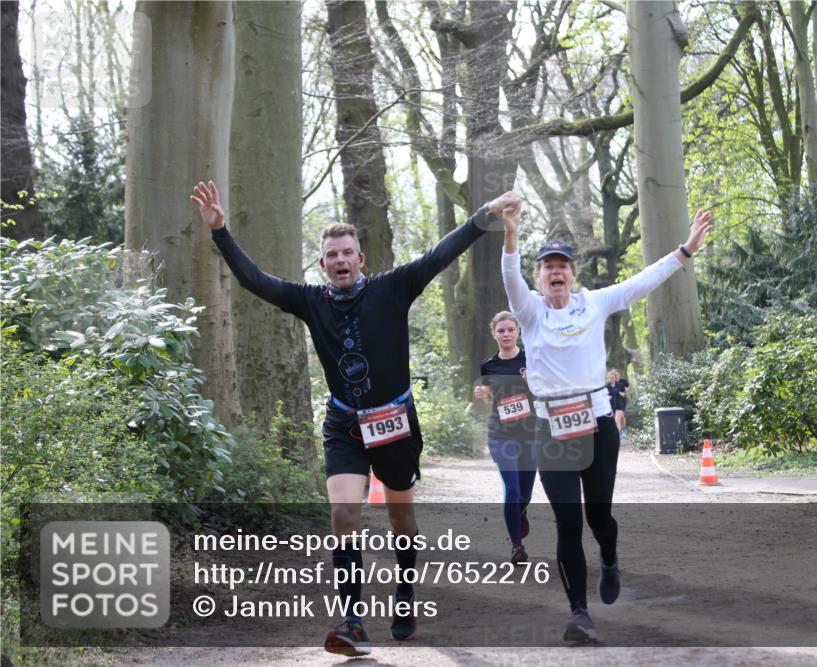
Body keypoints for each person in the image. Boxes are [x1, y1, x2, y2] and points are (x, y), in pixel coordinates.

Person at [191, 180, 519, 656]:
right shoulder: (310, 301)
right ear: (322, 264)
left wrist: (486, 212)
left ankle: (405, 594)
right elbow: (255, 281)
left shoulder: (393, 287)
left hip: (395, 422)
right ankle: (352, 622)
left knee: (400, 518)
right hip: (344, 424)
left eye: (348, 253)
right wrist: (220, 231)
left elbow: (440, 253)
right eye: (332, 255)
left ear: (360, 259)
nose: (341, 261)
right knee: (343, 513)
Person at [500, 196, 713, 643]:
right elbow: (508, 275)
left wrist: (686, 249)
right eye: (547, 267)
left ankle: (610, 557)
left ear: (573, 274)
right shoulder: (530, 312)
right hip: (550, 428)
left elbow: (644, 280)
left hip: (597, 423)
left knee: (598, 517)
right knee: (567, 522)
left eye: (563, 265)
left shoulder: (594, 303)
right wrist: (512, 233)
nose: (555, 272)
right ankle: (579, 612)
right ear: (538, 277)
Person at [473, 311, 538, 564]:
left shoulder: (531, 359)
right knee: (511, 489)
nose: (506, 334)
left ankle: (520, 511)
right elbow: (492, 398)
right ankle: (516, 546)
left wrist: (532, 382)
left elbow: (545, 393)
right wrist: (483, 393)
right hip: (501, 434)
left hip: (530, 434)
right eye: (501, 331)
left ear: (518, 331)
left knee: (525, 494)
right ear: (494, 334)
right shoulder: (488, 364)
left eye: (510, 329)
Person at [605, 370, 630, 434]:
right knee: (614, 422)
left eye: (613, 377)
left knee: (617, 420)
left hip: (619, 405)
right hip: (611, 406)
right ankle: (618, 433)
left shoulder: (620, 385)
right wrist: (607, 397)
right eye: (610, 378)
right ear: (608, 378)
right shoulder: (606, 387)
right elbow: (604, 396)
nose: (612, 379)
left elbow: (625, 394)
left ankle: (618, 434)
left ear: (615, 378)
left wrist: (620, 393)